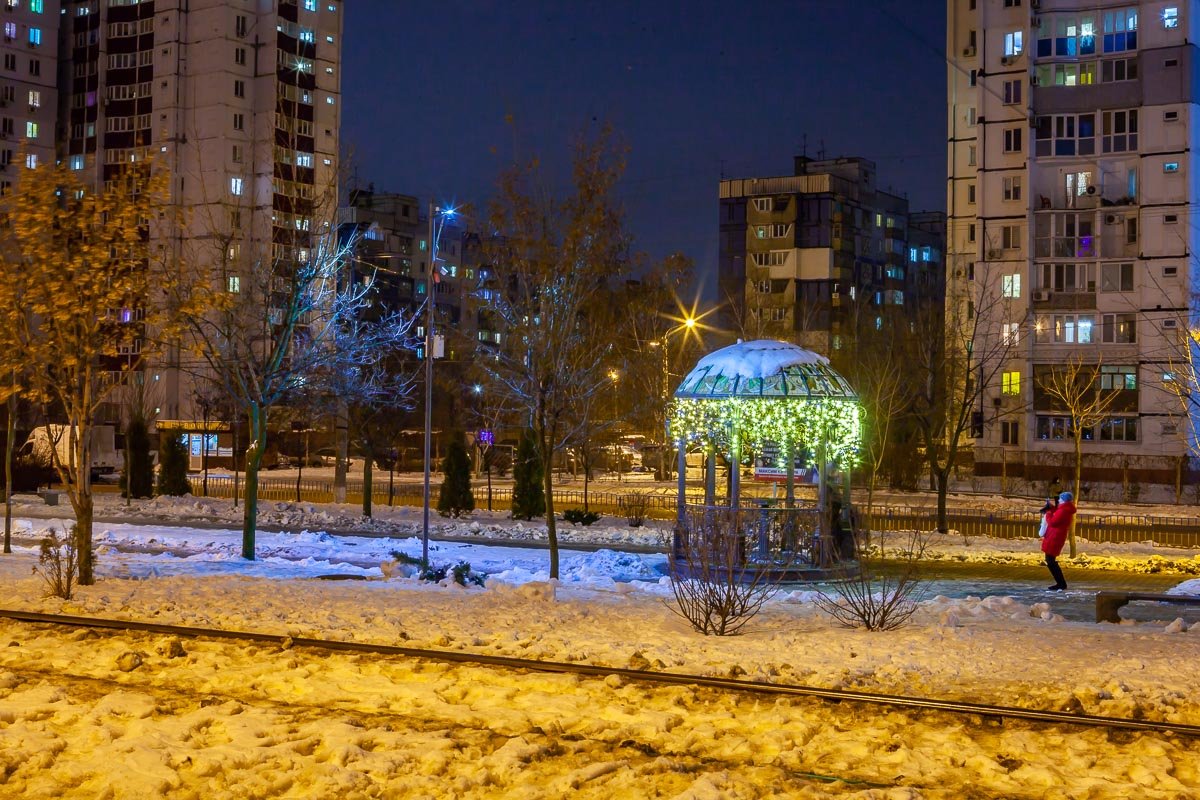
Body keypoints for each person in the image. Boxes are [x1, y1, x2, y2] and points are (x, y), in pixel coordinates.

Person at [1041, 490, 1077, 591]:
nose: (1059, 500)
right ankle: (1060, 583)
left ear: (1064, 500)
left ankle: (1061, 583)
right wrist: (1051, 508)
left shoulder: (1063, 510)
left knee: (1050, 560)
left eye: (1061, 498)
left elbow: (1053, 522)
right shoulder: (1064, 509)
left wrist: (1048, 513)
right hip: (1055, 536)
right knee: (1050, 559)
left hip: (1055, 537)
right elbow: (1057, 515)